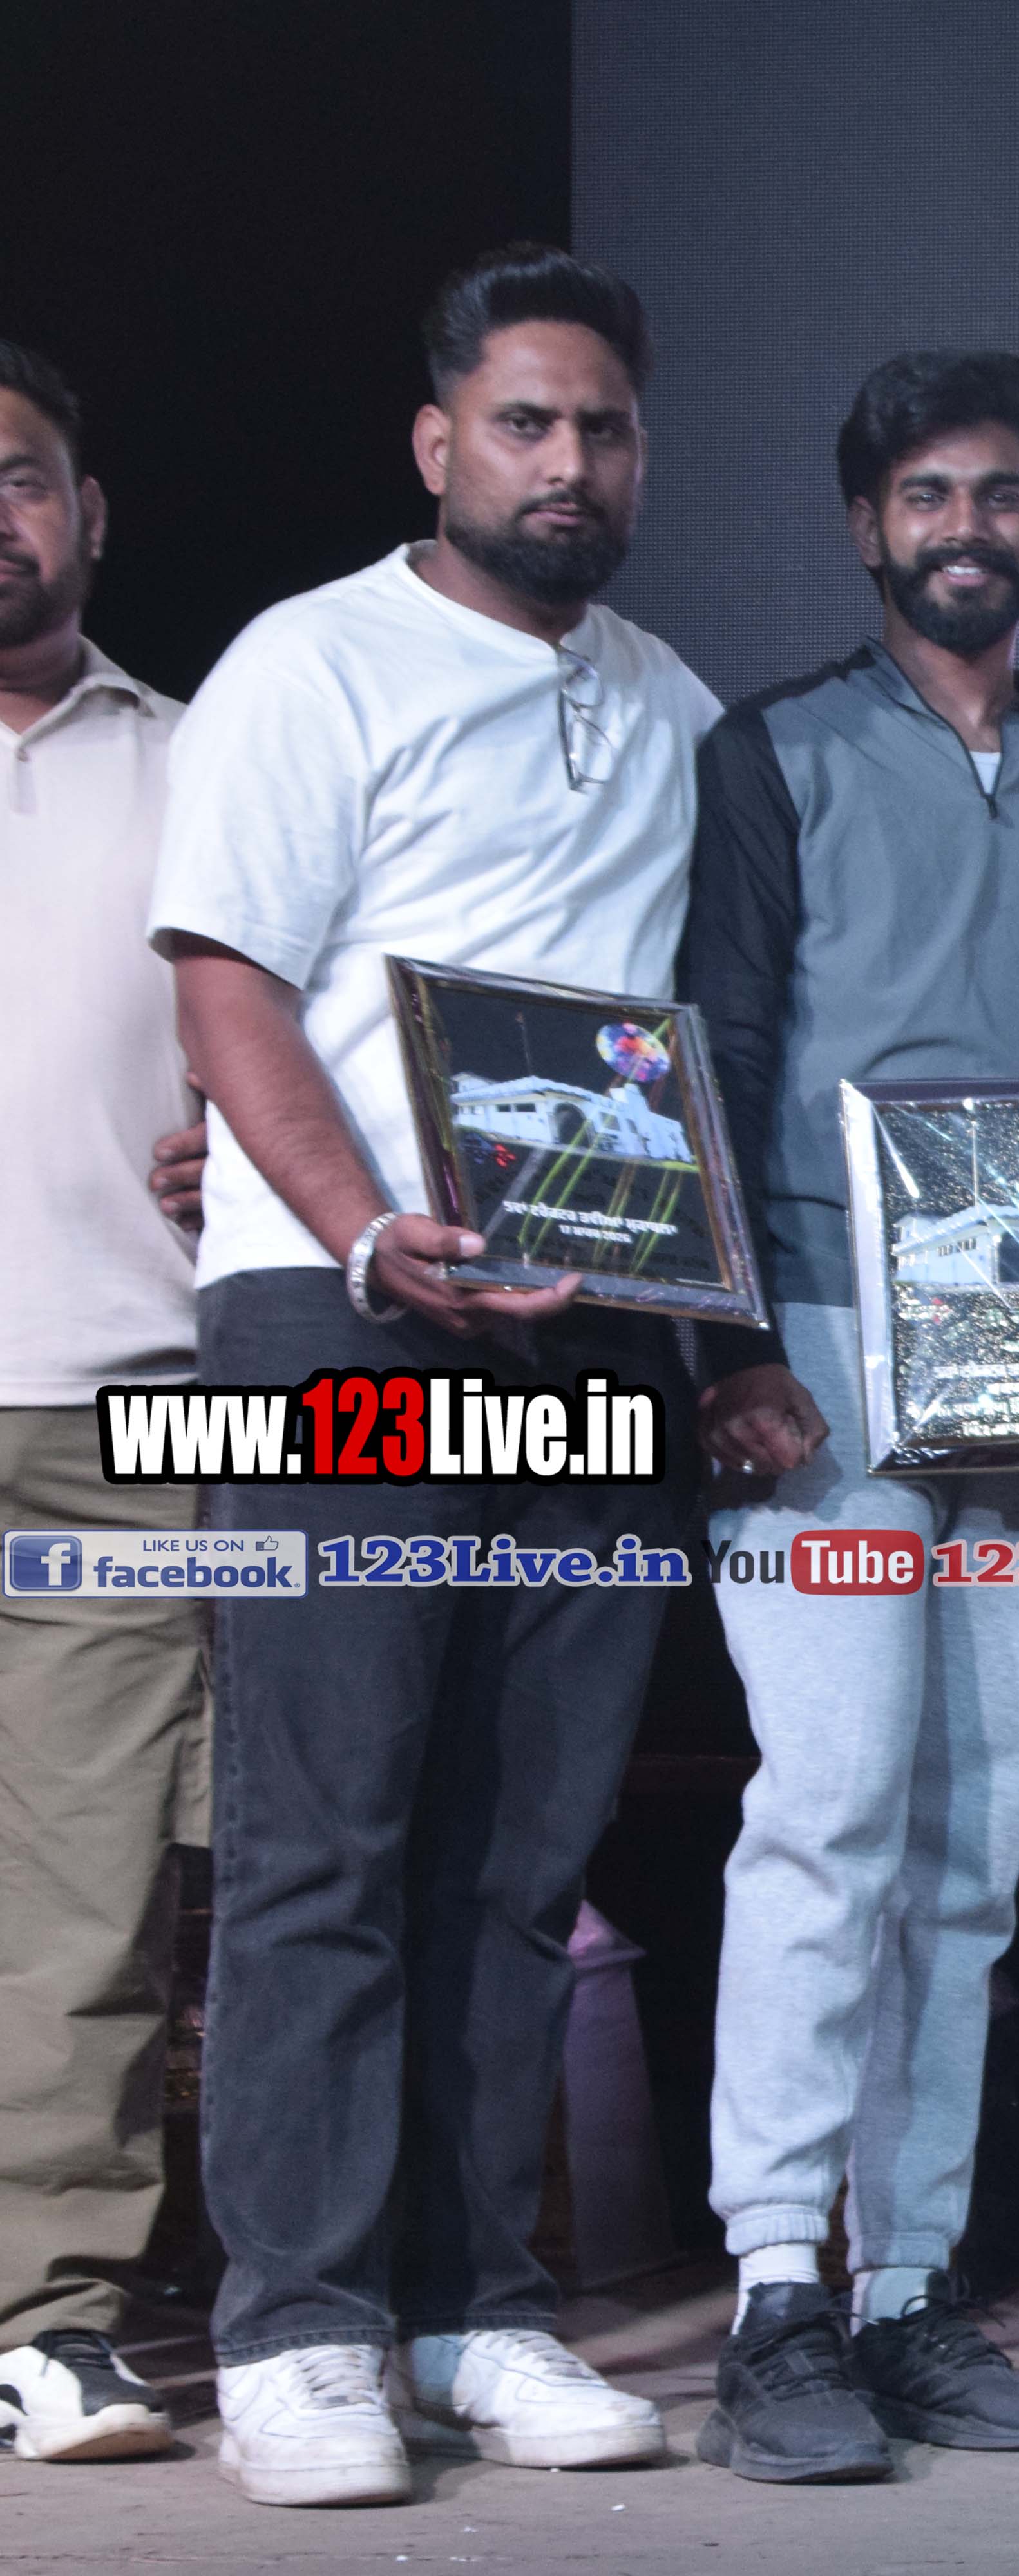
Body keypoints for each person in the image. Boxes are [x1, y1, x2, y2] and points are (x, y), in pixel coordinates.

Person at [144, 245, 707, 2508]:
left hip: (594, 1331)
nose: (569, 464)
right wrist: (367, 1224)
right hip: (343, 1317)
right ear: (437, 441)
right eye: (527, 423)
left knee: (524, 1853)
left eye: (605, 429)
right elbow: (227, 986)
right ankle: (299, 2329)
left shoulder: (670, 704)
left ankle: (476, 2307)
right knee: (328, 1839)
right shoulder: (310, 660)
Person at [675, 349, 1019, 2486]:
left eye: (1001, 494)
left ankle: (905, 2292)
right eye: (926, 496)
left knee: (973, 1855)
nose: (965, 527)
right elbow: (714, 1047)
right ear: (865, 527)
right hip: (820, 1341)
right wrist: (728, 1351)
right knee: (826, 1816)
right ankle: (771, 2298)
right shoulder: (773, 751)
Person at [0, 341, 200, 2470]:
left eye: (22, 475)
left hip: (115, 1416)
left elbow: (313, 1023)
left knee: (81, 1918)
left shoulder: (199, 757)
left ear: (89, 511)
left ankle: (47, 2321)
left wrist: (258, 1145)